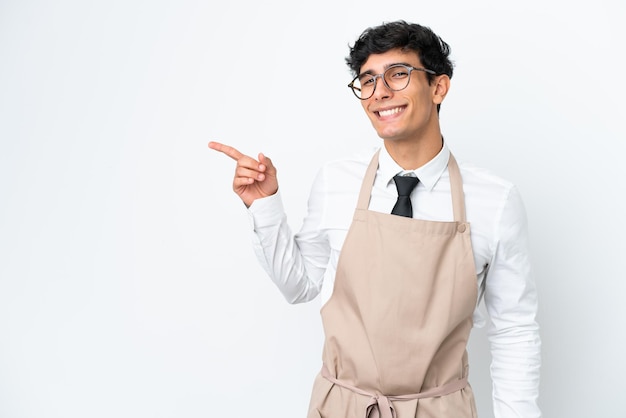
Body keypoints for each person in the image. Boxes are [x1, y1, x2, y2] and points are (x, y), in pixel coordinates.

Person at [209, 20, 541, 418]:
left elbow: (514, 331)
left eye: (398, 74)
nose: (380, 92)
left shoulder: (495, 200)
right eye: (367, 80)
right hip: (340, 408)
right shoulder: (336, 181)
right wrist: (264, 205)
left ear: (439, 87)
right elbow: (300, 286)